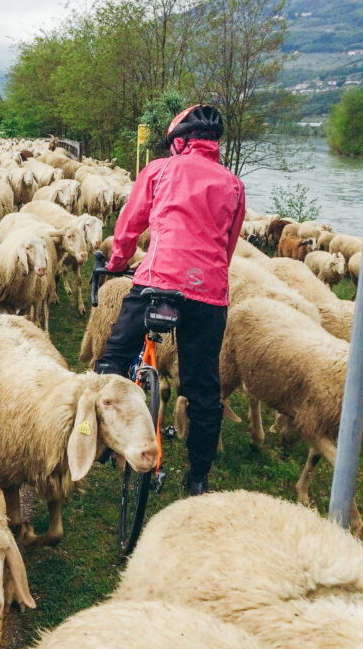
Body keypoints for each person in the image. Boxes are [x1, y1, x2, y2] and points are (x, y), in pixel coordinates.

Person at [94, 104, 245, 496]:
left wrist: (116, 262)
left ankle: (98, 440)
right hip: (208, 296)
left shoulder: (159, 170)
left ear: (180, 141)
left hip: (156, 283)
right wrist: (208, 283)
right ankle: (197, 477)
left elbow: (130, 225)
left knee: (112, 359)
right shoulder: (233, 185)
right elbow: (226, 247)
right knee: (202, 389)